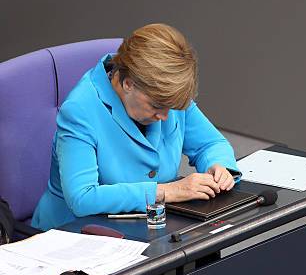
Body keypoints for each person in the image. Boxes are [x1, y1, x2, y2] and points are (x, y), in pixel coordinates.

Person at [32, 24, 240, 231]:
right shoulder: (79, 111)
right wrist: (165, 191)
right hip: (78, 234)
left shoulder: (166, 96)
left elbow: (211, 144)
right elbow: (83, 197)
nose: (165, 117)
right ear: (128, 84)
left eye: (172, 107)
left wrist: (218, 166)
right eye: (156, 106)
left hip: (151, 225)